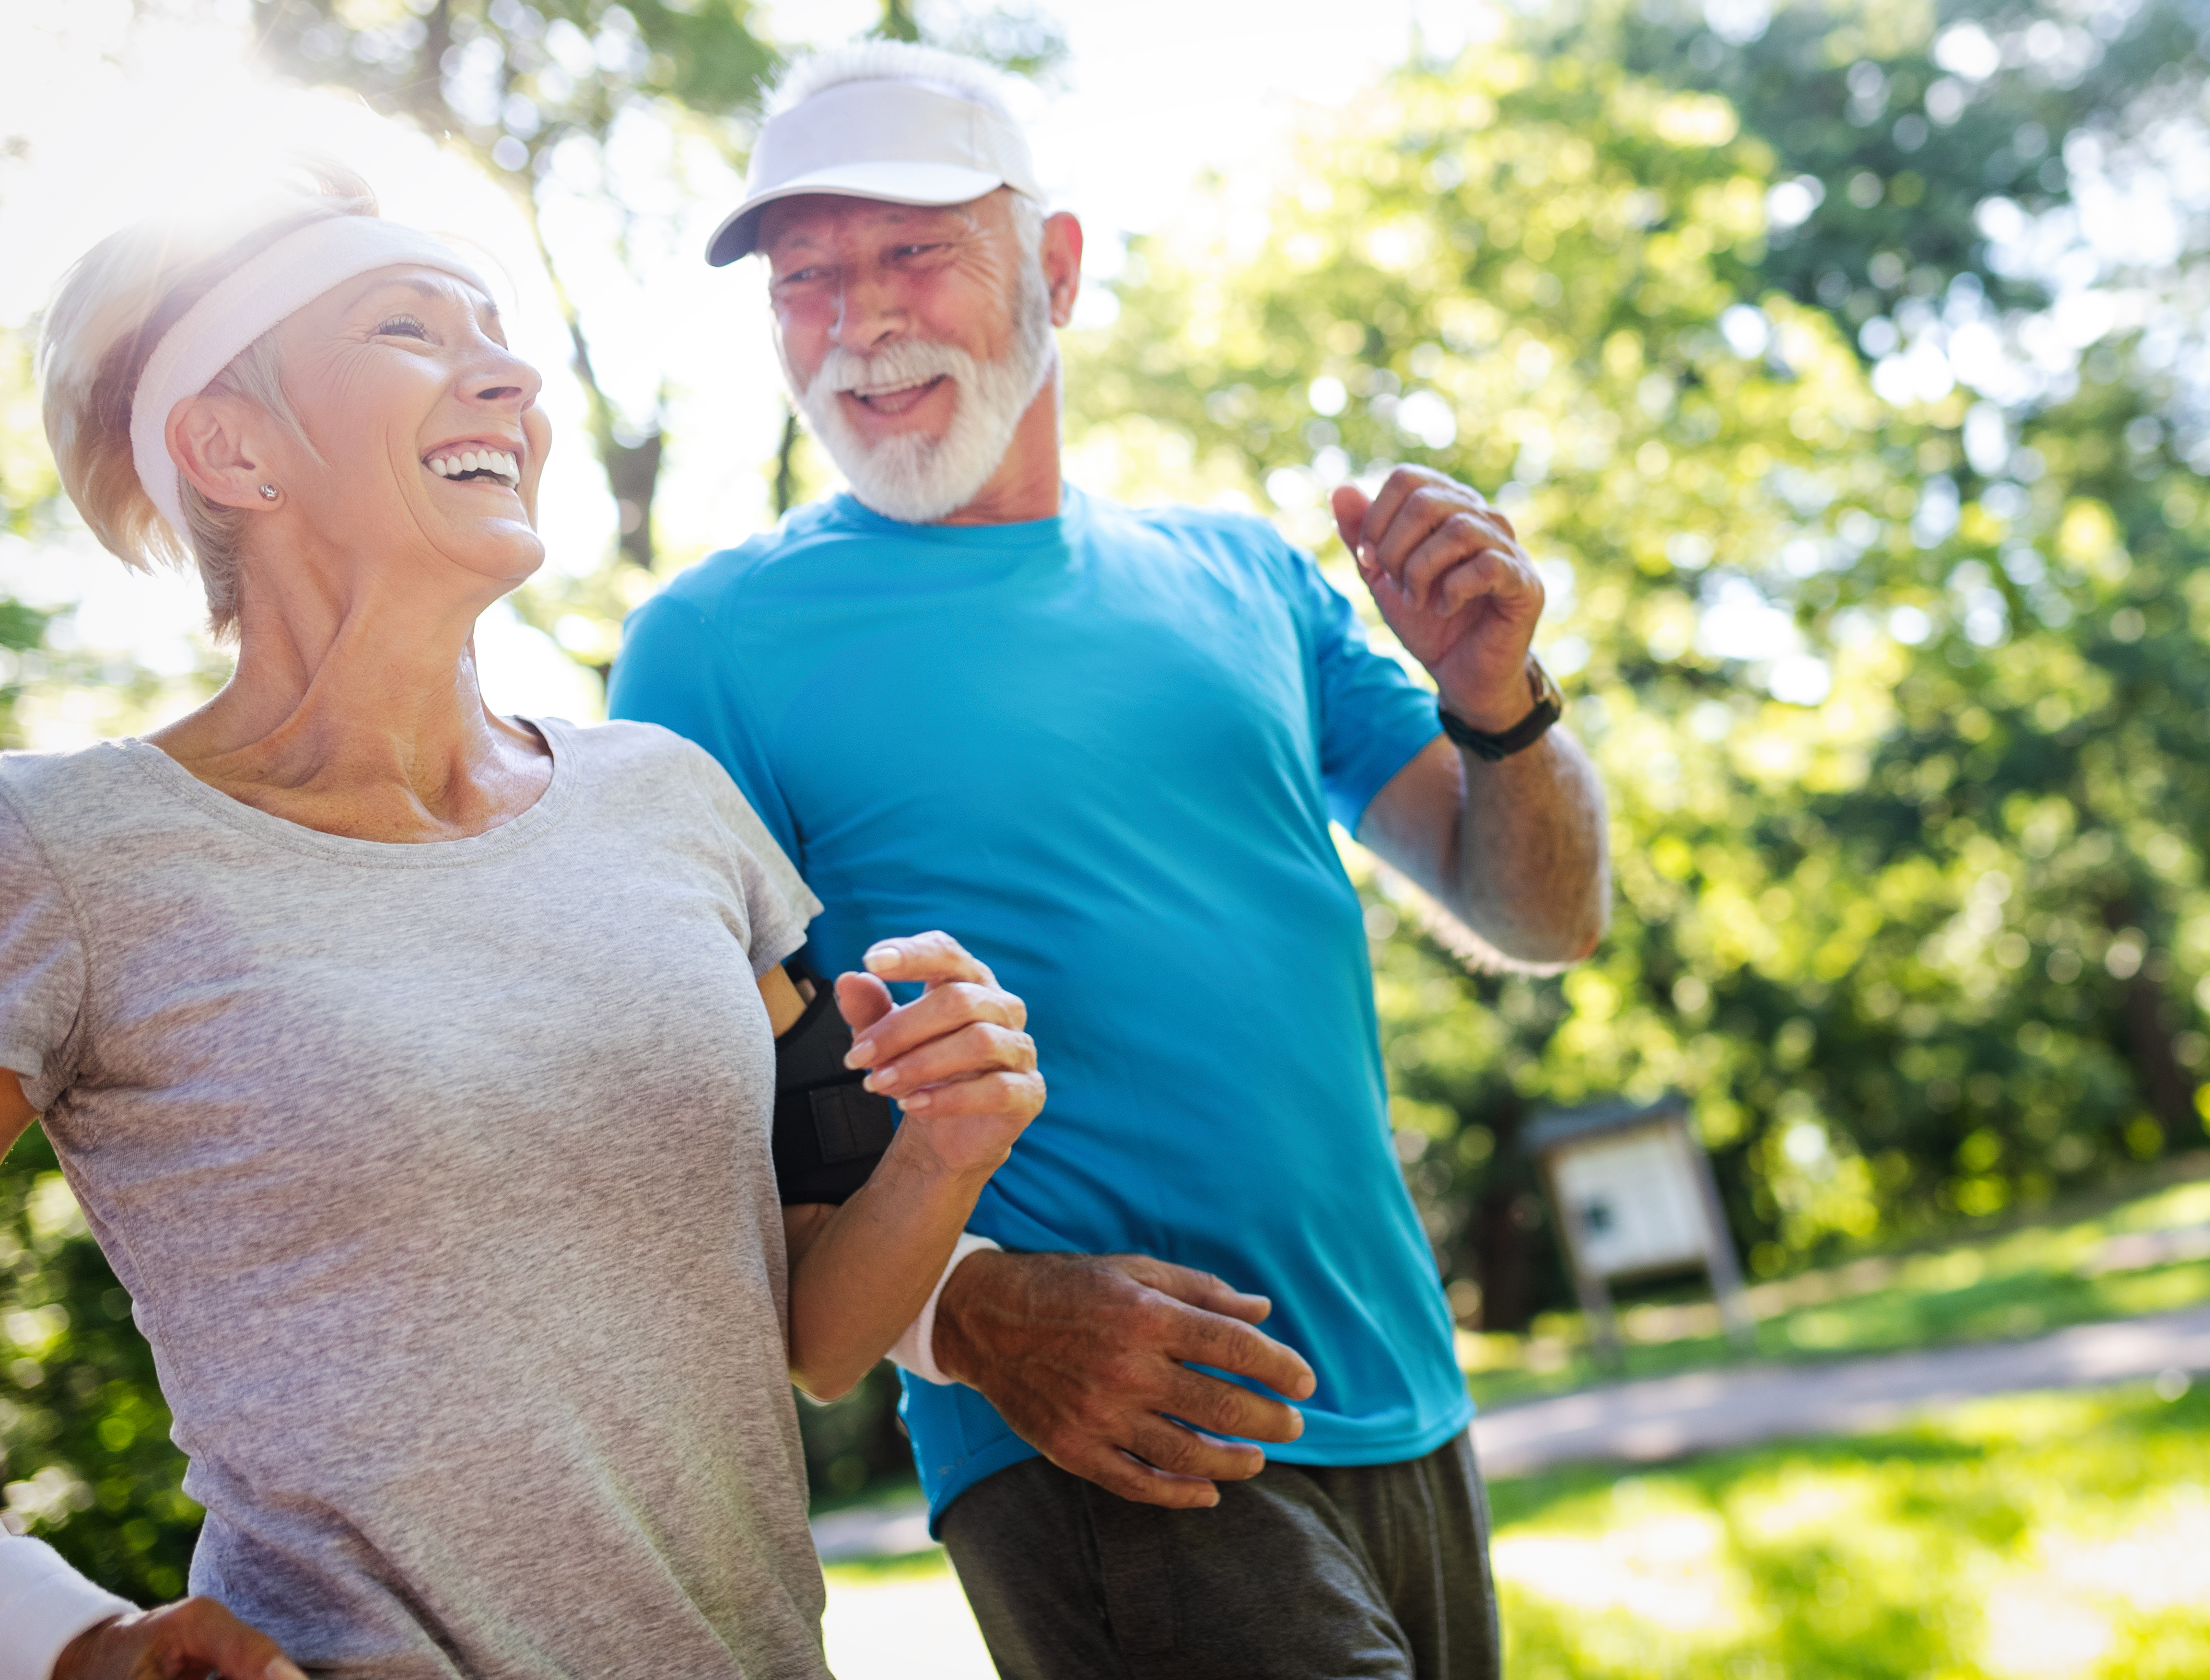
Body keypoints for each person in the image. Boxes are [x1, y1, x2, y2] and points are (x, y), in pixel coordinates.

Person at [608, 40, 1612, 1679]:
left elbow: (1542, 912)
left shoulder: (1239, 576)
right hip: (1110, 1438)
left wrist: (1499, 702)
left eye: (914, 253)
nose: (857, 319)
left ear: (1055, 269)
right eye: (806, 279)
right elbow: (697, 1138)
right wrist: (983, 1320)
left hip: (1408, 1398)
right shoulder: (710, 647)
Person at [0, 164, 1044, 1680]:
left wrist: (949, 1148)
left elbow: (817, 1335)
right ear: (232, 446)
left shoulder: (670, 803)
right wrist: (70, 1638)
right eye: (409, 328)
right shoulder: (67, 849)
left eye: (496, 329)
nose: (510, 373)